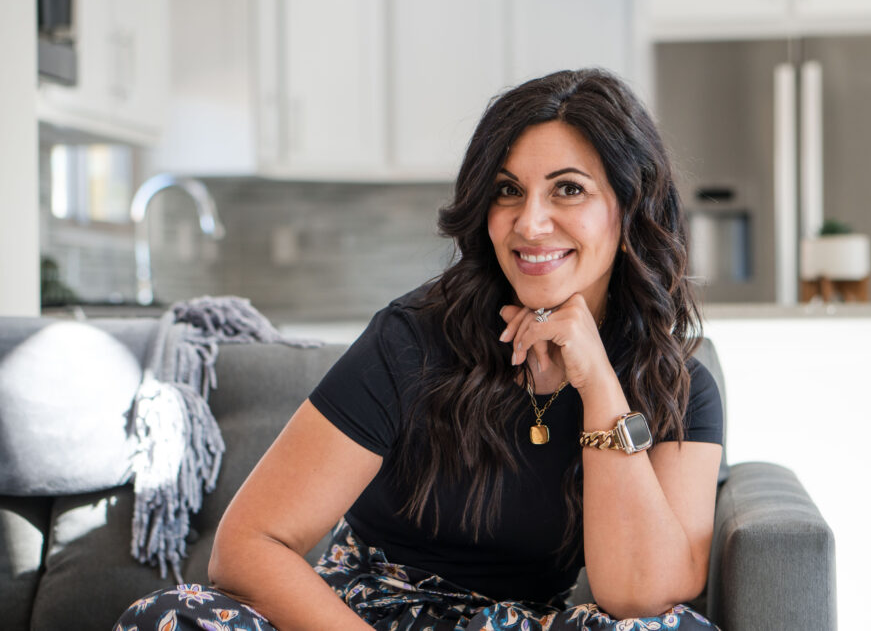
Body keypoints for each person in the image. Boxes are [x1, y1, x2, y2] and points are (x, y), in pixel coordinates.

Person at [114, 68, 724, 631]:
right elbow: (248, 545)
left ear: (630, 206)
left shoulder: (680, 387)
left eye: (567, 189)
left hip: (518, 623)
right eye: (508, 190)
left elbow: (639, 597)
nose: (529, 223)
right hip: (364, 617)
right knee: (164, 618)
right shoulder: (412, 340)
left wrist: (598, 384)